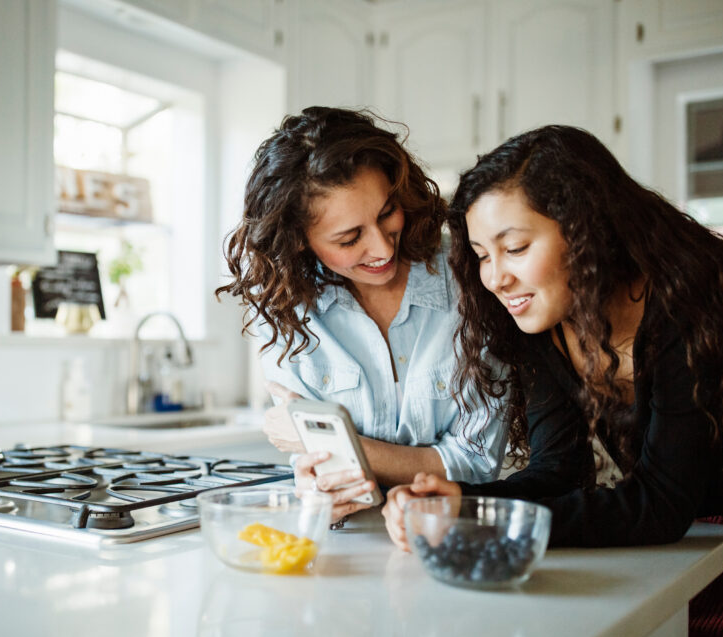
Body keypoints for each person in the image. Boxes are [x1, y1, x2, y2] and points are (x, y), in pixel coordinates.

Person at [381, 124, 723, 637]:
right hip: (682, 554)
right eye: (480, 254)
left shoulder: (688, 309)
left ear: (587, 230)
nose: (496, 277)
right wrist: (455, 500)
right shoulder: (541, 324)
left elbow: (661, 504)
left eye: (516, 247)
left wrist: (473, 518)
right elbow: (560, 472)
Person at [216, 106, 509, 523]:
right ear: (300, 240)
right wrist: (317, 484)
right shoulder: (285, 310)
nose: (383, 249)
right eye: (350, 238)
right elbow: (321, 463)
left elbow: (477, 462)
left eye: (387, 212)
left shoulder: (471, 276)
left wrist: (348, 449)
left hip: (454, 532)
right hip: (347, 540)